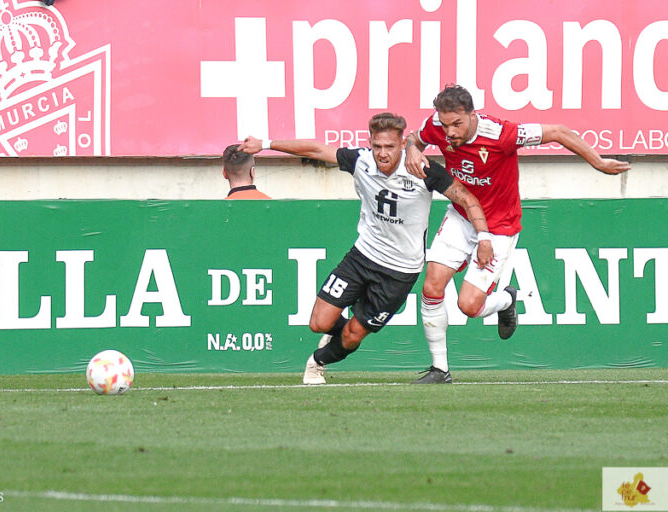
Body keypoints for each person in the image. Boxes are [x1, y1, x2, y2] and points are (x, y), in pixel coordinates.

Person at [240, 113, 492, 384]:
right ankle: (339, 334)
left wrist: (484, 238)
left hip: (400, 272)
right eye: (377, 146)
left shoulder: (423, 170)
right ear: (370, 143)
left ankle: (317, 362)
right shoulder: (360, 160)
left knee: (352, 336)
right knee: (319, 323)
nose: (383, 153)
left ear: (402, 144)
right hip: (362, 257)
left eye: (390, 147)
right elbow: (316, 150)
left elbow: (467, 199)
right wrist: (265, 144)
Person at [404, 84, 631, 384]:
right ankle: (440, 370)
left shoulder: (502, 134)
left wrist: (598, 162)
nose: (450, 133)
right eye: (445, 126)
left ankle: (506, 301)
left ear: (472, 115)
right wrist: (411, 148)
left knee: (468, 306)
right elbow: (415, 138)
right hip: (461, 217)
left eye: (456, 124)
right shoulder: (437, 124)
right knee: (432, 286)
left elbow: (559, 132)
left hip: (499, 226)